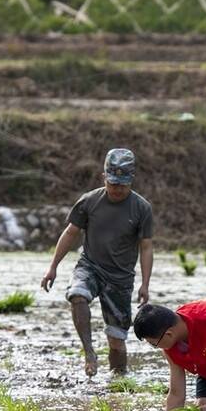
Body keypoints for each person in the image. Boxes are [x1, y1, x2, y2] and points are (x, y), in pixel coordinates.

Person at [41, 148, 154, 377]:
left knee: (117, 339)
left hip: (120, 278)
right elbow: (71, 232)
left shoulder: (141, 208)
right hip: (90, 265)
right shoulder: (89, 201)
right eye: (113, 184)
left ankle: (118, 380)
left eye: (122, 185)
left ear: (131, 180)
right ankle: (89, 352)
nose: (117, 189)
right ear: (104, 177)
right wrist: (53, 267)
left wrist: (145, 284)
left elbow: (146, 246)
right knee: (77, 294)